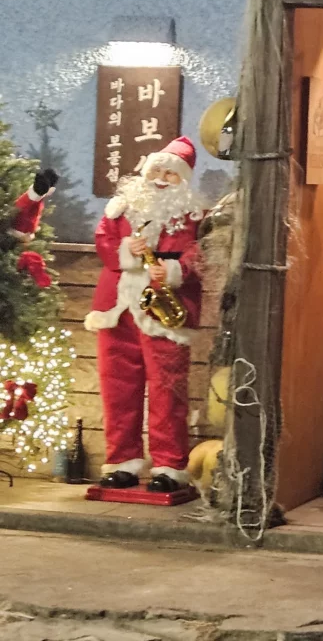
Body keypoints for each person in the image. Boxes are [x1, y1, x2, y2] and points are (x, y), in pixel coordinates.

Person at [85, 136, 205, 493]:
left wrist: (173, 271)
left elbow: (199, 256)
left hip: (163, 307)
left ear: (182, 181)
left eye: (170, 174)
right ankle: (122, 460)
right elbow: (104, 241)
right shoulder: (121, 206)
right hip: (117, 307)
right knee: (117, 385)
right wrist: (126, 250)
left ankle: (169, 464)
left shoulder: (193, 215)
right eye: (157, 170)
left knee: (167, 389)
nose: (160, 178)